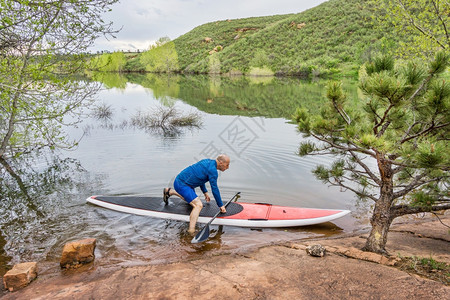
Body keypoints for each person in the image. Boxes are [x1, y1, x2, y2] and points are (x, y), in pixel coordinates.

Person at [163, 154, 230, 234]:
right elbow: (214, 189)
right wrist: (221, 205)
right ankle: (191, 231)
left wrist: (205, 192)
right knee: (198, 205)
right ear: (221, 163)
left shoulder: (207, 162)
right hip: (182, 184)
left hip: (181, 181)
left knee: (189, 199)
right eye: (227, 165)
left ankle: (169, 191)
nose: (227, 167)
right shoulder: (213, 171)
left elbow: (200, 178)